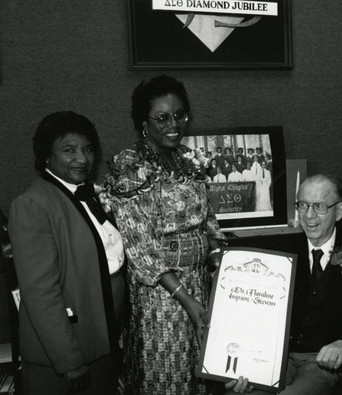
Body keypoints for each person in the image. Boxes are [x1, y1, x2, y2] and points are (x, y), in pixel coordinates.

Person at [101, 75, 227, 394]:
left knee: (203, 374)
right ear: (144, 122)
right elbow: (139, 247)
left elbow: (209, 223)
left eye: (179, 114)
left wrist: (225, 265)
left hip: (199, 283)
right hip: (162, 294)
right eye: (162, 117)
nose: (174, 124)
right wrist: (186, 299)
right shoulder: (129, 167)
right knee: (167, 377)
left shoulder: (188, 161)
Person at [230, 174, 342, 394]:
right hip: (276, 358)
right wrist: (244, 362)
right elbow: (255, 315)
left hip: (324, 362)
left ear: (339, 211)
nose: (309, 215)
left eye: (320, 206)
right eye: (303, 205)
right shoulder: (279, 255)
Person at [9, 111, 125, 395]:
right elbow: (40, 293)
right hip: (69, 353)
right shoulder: (32, 205)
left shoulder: (87, 194)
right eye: (69, 150)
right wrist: (68, 361)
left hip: (101, 342)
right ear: (46, 156)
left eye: (87, 149)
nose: (82, 159)